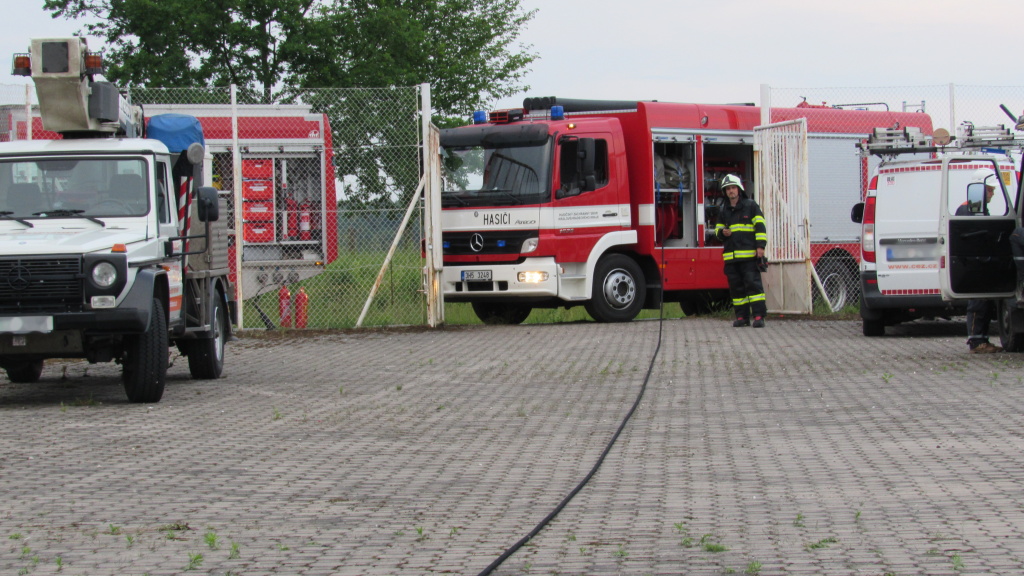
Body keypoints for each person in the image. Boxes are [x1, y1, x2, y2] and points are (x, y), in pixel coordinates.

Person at [714, 174, 767, 328]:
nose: (731, 191)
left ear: (739, 189)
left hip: (749, 257)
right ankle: (742, 317)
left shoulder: (751, 206)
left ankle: (758, 316)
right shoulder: (723, 210)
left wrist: (760, 247)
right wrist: (722, 232)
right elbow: (717, 230)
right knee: (736, 290)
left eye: (733, 188)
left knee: (753, 286)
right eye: (728, 189)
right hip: (731, 258)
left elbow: (760, 227)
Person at [957, 169, 1001, 353]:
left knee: (984, 301)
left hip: (978, 263)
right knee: (978, 302)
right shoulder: (969, 209)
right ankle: (976, 342)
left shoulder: (977, 208)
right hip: (974, 265)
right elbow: (973, 238)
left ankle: (982, 339)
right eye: (990, 190)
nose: (992, 194)